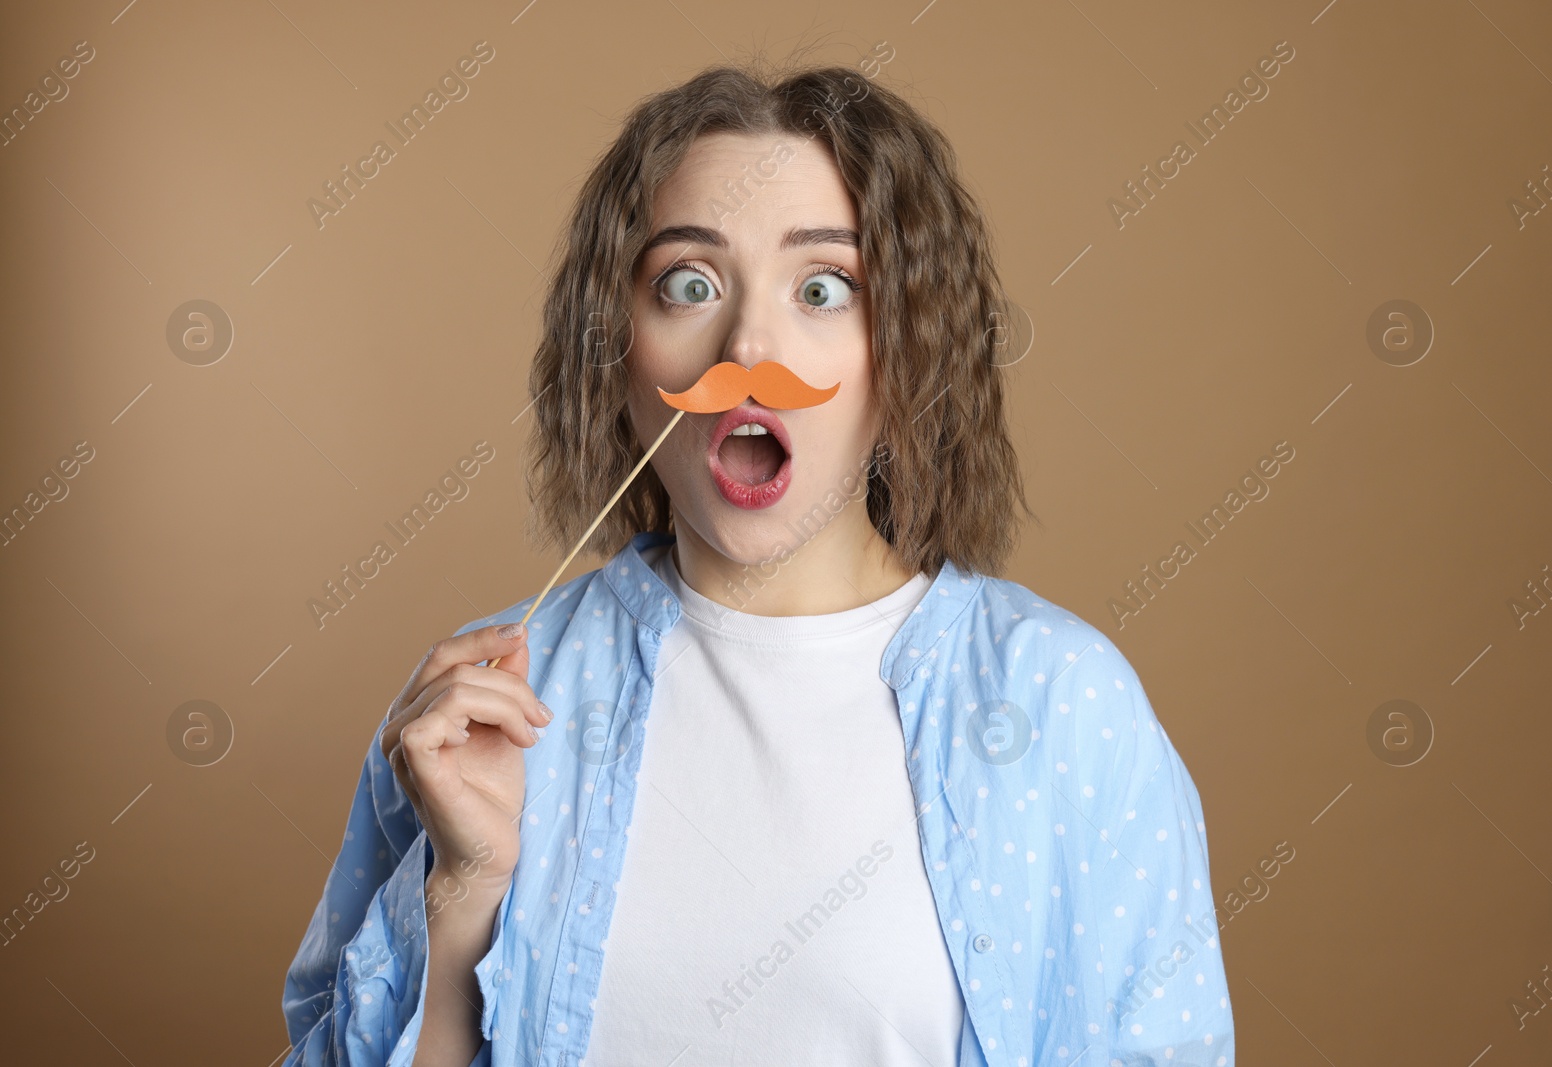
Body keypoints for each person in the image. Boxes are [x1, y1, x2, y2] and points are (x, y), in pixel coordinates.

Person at [282, 60, 1236, 1067]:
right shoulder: (491, 705)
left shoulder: (1061, 701)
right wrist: (462, 887)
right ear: (618, 352)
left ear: (908, 346)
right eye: (687, 284)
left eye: (823, 287)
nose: (744, 342)